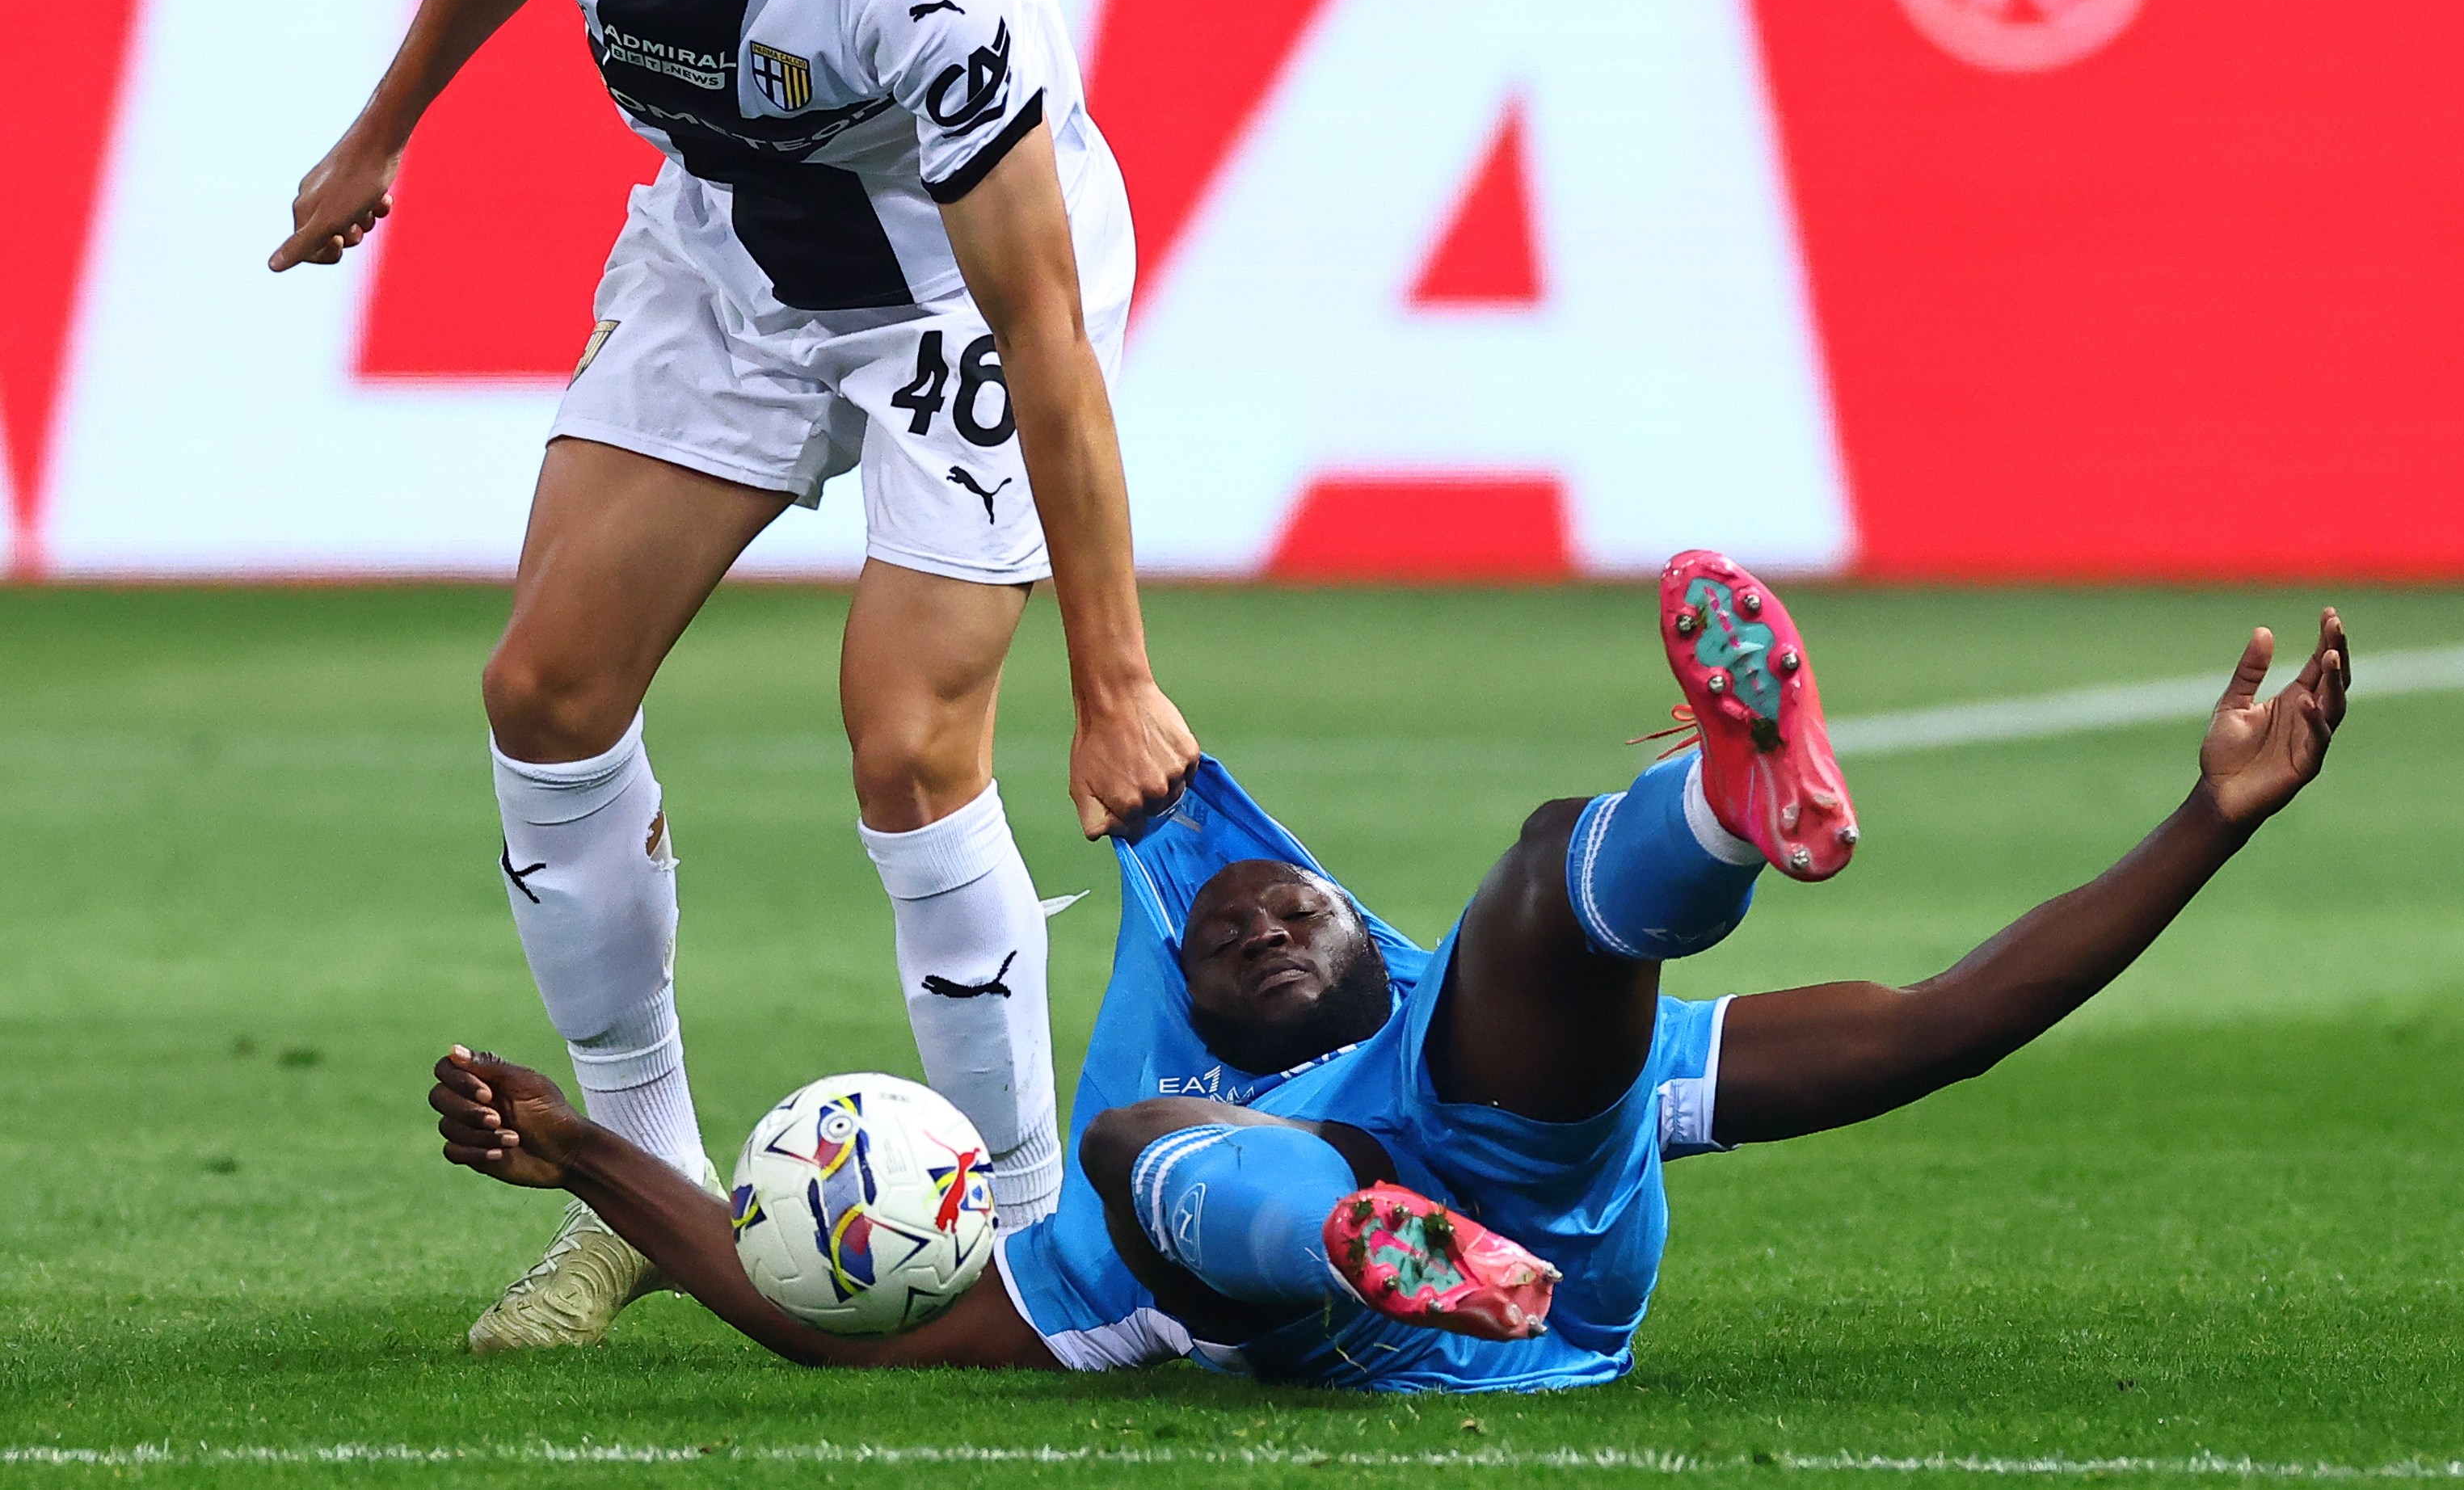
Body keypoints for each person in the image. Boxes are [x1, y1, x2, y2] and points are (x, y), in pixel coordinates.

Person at [280, 0, 1198, 1350]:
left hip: (953, 298)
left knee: (910, 737)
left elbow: (1046, 338)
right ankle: (638, 1186)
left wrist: (1116, 678)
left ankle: (1029, 1233)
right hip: (732, 256)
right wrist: (380, 128)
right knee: (545, 688)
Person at [427, 552, 2350, 1387]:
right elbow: (836, 1332)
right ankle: (1349, 1233)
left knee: (1539, 871)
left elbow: (1936, 1022)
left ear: (1356, 930)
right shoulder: (1161, 1131)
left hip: (1523, 1216)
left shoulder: (1440, 1016)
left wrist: (2208, 821)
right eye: (1223, 925)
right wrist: (589, 1155)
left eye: (1294, 904)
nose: (1257, 913)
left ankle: (1729, 806)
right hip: (1398, 1262)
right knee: (1137, 1142)